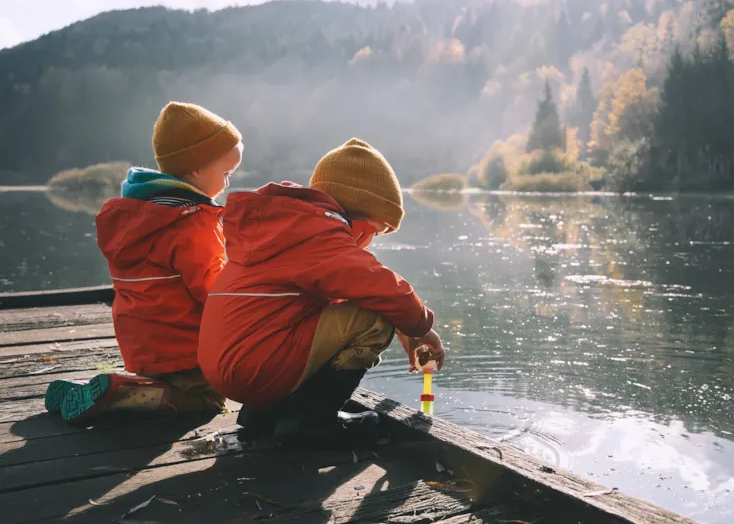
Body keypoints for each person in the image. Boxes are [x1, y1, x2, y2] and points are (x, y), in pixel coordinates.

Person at [198, 138, 444, 443]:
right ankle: (311, 422)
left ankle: (265, 414)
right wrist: (421, 326)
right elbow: (382, 288)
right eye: (374, 233)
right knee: (373, 321)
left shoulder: (288, 228)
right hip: (254, 368)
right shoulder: (319, 235)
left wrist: (405, 329)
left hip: (230, 366)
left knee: (332, 313)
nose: (369, 244)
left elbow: (346, 293)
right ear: (355, 215)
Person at [45, 102, 243, 424]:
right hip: (186, 349)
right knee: (209, 399)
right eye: (226, 174)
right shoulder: (193, 222)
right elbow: (212, 289)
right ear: (195, 169)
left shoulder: (136, 214)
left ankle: (113, 388)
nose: (228, 183)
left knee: (164, 382)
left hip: (144, 349)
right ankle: (121, 395)